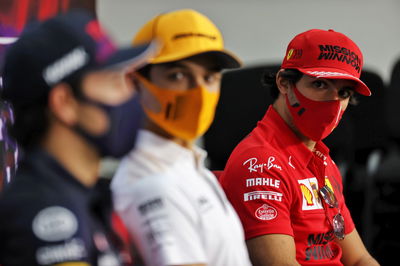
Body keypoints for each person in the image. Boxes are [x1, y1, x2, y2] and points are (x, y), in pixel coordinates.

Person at [0, 10, 157, 266]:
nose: (130, 94)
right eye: (113, 82)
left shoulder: (84, 194)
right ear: (65, 103)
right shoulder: (45, 210)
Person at [219, 29, 380, 265]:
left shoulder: (323, 160)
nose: (333, 103)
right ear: (284, 83)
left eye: (343, 92)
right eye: (320, 84)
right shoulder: (261, 164)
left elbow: (358, 258)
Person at [111, 9, 252, 266]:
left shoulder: (192, 168)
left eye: (209, 77)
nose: (198, 92)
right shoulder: (153, 184)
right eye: (178, 75)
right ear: (135, 82)